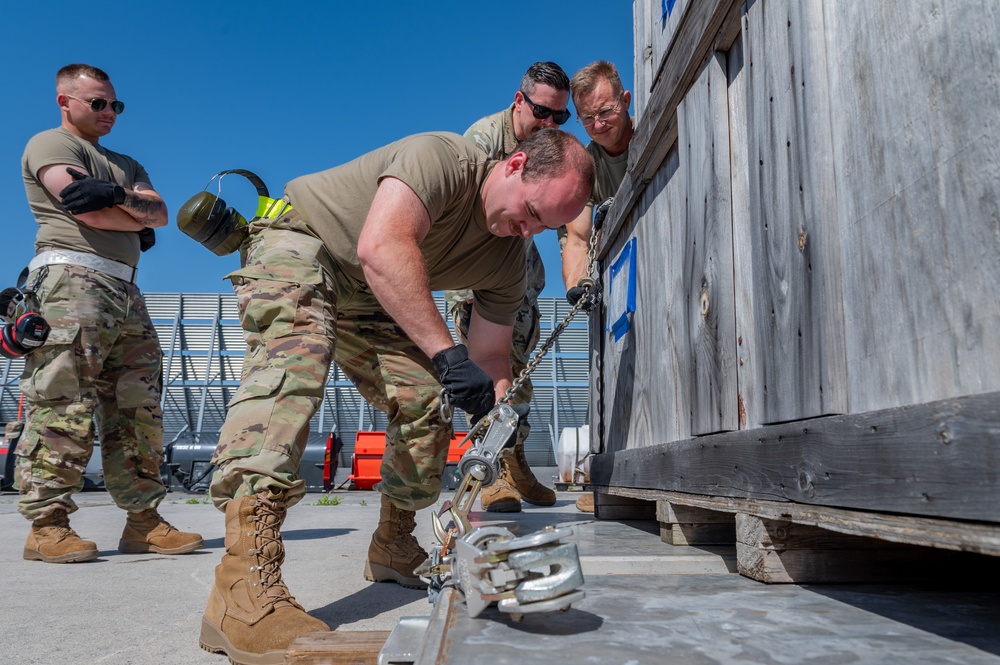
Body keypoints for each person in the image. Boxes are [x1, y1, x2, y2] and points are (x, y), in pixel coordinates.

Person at [199, 129, 594, 665]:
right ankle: (240, 587)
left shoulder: (508, 259)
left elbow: (492, 358)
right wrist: (449, 355)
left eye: (542, 226)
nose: (525, 229)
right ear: (514, 164)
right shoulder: (442, 159)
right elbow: (381, 247)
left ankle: (393, 543)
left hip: (367, 289)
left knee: (425, 398)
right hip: (303, 241)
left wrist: (492, 417)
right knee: (296, 359)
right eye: (528, 210)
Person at [16, 64, 203, 563]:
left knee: (137, 407)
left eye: (114, 105)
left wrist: (120, 195)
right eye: (97, 103)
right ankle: (47, 524)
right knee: (63, 400)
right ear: (65, 101)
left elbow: (160, 214)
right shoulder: (51, 145)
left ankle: (143, 520)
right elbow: (85, 209)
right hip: (71, 279)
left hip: (124, 285)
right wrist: (130, 216)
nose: (108, 113)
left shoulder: (125, 162)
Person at [447, 61, 572, 513]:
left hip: (519, 283)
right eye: (542, 112)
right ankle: (491, 473)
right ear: (519, 101)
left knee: (518, 373)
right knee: (483, 373)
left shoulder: (550, 149)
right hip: (477, 279)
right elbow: (467, 221)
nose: (550, 124)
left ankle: (516, 461)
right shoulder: (481, 141)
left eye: (561, 117)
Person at [564, 61, 636, 514]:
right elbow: (576, 234)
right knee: (610, 374)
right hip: (623, 278)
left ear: (625, 101)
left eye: (605, 111)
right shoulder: (587, 165)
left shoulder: (655, 128)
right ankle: (608, 479)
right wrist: (576, 283)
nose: (597, 124)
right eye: (587, 117)